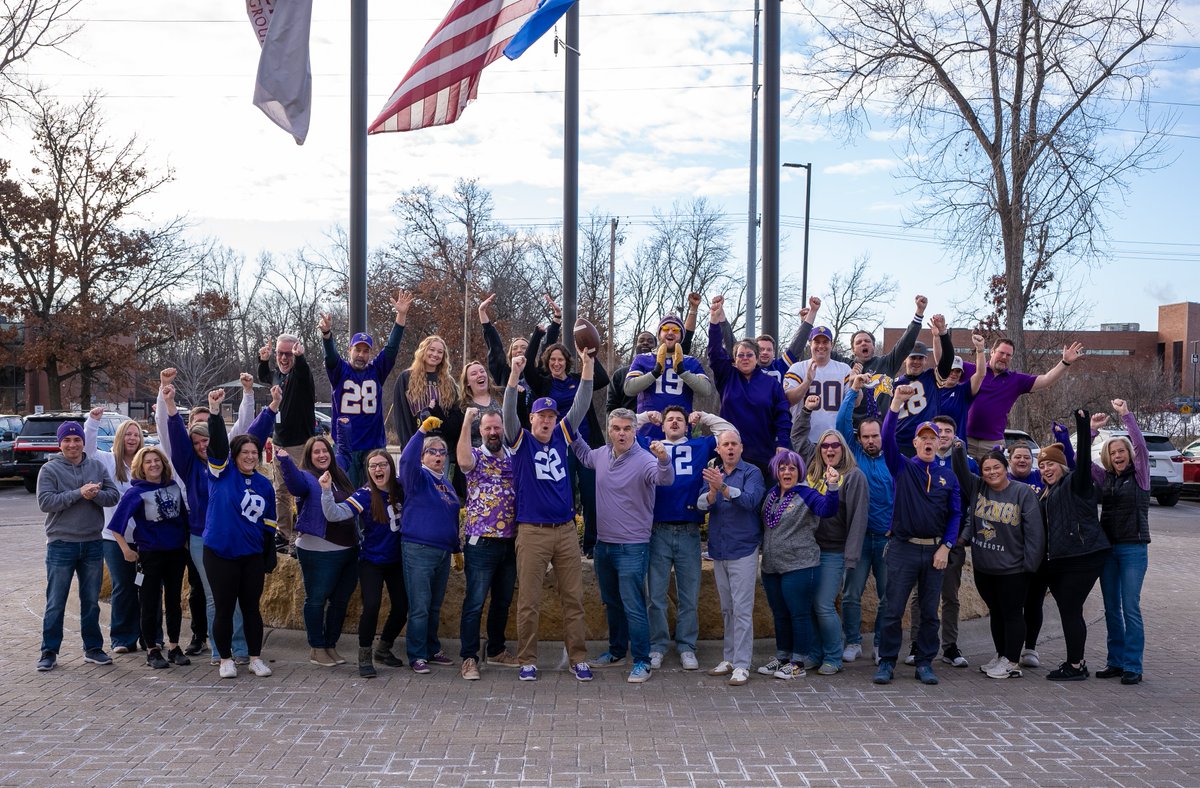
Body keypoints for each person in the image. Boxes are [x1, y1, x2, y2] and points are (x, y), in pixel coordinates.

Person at [163, 382, 278, 668]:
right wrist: (175, 408)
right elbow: (178, 439)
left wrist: (272, 407)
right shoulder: (213, 470)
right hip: (207, 539)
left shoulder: (255, 478)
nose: (203, 446)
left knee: (246, 603)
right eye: (197, 442)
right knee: (218, 599)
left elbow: (251, 438)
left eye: (207, 441)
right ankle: (221, 652)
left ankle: (245, 652)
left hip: (246, 545)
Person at [502, 350, 596, 682]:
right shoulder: (519, 440)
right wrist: (514, 375)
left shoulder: (562, 435)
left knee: (574, 598)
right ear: (532, 418)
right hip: (532, 531)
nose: (546, 421)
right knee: (529, 601)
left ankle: (578, 658)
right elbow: (508, 411)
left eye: (550, 416)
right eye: (541, 416)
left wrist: (587, 366)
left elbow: (582, 404)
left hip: (566, 530)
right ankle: (527, 658)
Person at [572, 408, 674, 683]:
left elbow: (665, 478)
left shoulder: (644, 459)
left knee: (633, 605)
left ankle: (642, 661)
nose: (621, 433)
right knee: (612, 603)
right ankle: (616, 651)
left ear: (634, 431)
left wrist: (664, 459)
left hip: (633, 546)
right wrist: (569, 429)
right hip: (604, 545)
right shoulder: (602, 454)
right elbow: (583, 453)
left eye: (627, 429)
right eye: (616, 428)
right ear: (609, 430)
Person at [873, 385, 961, 686]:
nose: (927, 442)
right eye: (923, 438)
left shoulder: (948, 476)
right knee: (893, 609)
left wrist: (946, 547)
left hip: (934, 552)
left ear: (939, 444)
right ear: (915, 442)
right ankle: (886, 661)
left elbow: (955, 515)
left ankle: (924, 662)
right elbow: (886, 439)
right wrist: (896, 404)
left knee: (928, 612)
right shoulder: (902, 468)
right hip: (902, 549)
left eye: (932, 438)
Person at [639, 407, 731, 671]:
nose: (675, 422)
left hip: (689, 530)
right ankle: (657, 646)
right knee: (655, 594)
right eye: (670, 419)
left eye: (680, 419)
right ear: (663, 426)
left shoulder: (699, 446)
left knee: (688, 595)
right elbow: (621, 429)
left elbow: (729, 431)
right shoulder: (650, 445)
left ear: (687, 426)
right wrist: (647, 417)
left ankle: (687, 646)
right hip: (657, 529)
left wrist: (705, 417)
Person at [790, 401, 869, 675]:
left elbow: (859, 519)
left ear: (843, 449)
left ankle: (834, 656)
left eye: (835, 445)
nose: (830, 450)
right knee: (809, 604)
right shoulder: (812, 471)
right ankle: (815, 652)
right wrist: (807, 412)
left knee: (824, 604)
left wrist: (851, 557)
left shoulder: (853, 476)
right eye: (825, 446)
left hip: (834, 552)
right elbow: (797, 437)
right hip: (807, 550)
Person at [523, 312, 611, 558]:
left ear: (567, 361)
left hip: (586, 444)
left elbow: (602, 379)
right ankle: (568, 544)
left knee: (591, 494)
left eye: (561, 359)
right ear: (548, 362)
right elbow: (528, 367)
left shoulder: (578, 379)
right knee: (566, 493)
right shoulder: (543, 383)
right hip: (559, 447)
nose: (557, 363)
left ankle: (592, 545)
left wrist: (589, 354)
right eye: (552, 359)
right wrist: (538, 335)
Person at [35, 421, 121, 671]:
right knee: (56, 601)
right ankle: (49, 651)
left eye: (77, 440)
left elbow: (113, 496)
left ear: (83, 441)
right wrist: (79, 493)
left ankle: (93, 648)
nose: (72, 445)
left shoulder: (95, 466)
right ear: (60, 444)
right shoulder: (49, 469)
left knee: (91, 601)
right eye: (67, 441)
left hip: (93, 543)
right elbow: (46, 503)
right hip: (61, 544)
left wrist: (97, 495)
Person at [954, 448, 1044, 679]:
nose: (992, 472)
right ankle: (1001, 654)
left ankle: (1012, 661)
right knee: (996, 612)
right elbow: (961, 471)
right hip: (985, 568)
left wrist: (1029, 566)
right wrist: (958, 449)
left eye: (997, 467)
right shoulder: (977, 488)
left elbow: (1035, 532)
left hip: (1013, 569)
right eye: (987, 469)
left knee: (1012, 613)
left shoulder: (1022, 492)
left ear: (1006, 468)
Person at [203, 405, 278, 680]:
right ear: (234, 456)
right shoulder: (221, 474)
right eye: (244, 453)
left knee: (251, 608)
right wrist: (214, 414)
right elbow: (218, 447)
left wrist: (268, 554)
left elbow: (269, 522)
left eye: (253, 453)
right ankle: (225, 659)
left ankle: (255, 658)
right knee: (224, 608)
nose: (249, 457)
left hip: (251, 556)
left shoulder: (264, 484)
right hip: (220, 554)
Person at [1038, 409, 1112, 681]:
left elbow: (1081, 463)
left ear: (1062, 465)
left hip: (1084, 554)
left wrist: (1083, 426)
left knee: (1070, 609)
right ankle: (1076, 661)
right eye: (1042, 465)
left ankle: (1076, 665)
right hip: (1062, 559)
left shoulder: (1076, 482)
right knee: (1071, 610)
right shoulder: (1049, 491)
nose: (1046, 469)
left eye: (1051, 464)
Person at [321, 449, 408, 678]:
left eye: (382, 464)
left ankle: (384, 647)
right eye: (373, 466)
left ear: (391, 466)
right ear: (368, 470)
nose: (378, 469)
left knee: (402, 606)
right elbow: (334, 514)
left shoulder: (401, 488)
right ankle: (364, 654)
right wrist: (326, 491)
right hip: (372, 560)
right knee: (371, 606)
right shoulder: (364, 494)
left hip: (397, 559)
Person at [901, 412, 978, 669]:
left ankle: (950, 646)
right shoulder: (917, 463)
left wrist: (960, 537)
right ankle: (916, 644)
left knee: (950, 596)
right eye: (938, 431)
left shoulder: (966, 462)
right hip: (922, 540)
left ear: (954, 435)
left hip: (951, 541)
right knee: (919, 596)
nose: (942, 436)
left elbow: (969, 504)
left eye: (947, 431)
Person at [105, 446, 192, 670]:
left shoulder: (172, 487)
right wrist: (126, 549)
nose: (153, 465)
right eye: (148, 462)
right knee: (149, 602)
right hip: (150, 555)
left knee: (173, 601)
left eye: (157, 461)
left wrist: (184, 543)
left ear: (163, 463)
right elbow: (116, 526)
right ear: (140, 467)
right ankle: (152, 649)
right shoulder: (135, 493)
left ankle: (173, 647)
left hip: (175, 555)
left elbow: (182, 518)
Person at [277, 435, 359, 668]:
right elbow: (292, 483)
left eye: (325, 451)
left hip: (349, 548)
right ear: (309, 456)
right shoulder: (305, 477)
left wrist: (343, 427)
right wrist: (284, 461)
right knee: (316, 599)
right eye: (316, 452)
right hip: (317, 550)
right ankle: (317, 647)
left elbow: (345, 451)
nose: (322, 455)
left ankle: (330, 644)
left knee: (340, 601)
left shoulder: (339, 472)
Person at [759, 450, 841, 680]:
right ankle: (783, 657)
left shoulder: (808, 494)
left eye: (792, 468)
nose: (787, 471)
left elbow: (828, 509)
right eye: (783, 467)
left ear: (799, 472)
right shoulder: (771, 495)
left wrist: (832, 486)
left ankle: (798, 661)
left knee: (799, 614)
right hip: (771, 566)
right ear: (776, 471)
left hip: (800, 565)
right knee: (780, 614)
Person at [390, 418, 461, 673]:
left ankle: (432, 648)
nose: (438, 456)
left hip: (442, 552)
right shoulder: (417, 477)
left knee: (434, 605)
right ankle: (416, 654)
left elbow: (451, 517)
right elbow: (406, 460)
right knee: (419, 606)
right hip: (418, 549)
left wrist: (456, 548)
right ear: (424, 456)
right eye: (432, 452)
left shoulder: (447, 485)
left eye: (442, 452)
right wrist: (421, 432)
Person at [322, 289, 412, 487]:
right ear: (350, 350)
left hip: (374, 446)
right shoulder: (340, 371)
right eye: (357, 350)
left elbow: (391, 348)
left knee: (376, 496)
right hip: (346, 447)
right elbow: (330, 357)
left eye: (365, 351)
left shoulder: (376, 371)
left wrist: (401, 316)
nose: (361, 355)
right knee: (349, 495)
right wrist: (327, 335)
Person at [455, 407, 520, 680]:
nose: (493, 432)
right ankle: (469, 658)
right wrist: (466, 421)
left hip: (510, 542)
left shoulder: (513, 458)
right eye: (487, 428)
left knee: (502, 601)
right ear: (480, 431)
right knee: (475, 602)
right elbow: (461, 460)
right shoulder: (476, 457)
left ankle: (495, 650)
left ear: (503, 428)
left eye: (496, 428)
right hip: (481, 542)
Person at [699, 429, 766, 687]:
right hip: (719, 549)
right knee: (727, 608)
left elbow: (750, 501)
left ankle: (742, 664)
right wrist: (713, 493)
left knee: (741, 610)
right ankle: (728, 658)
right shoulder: (712, 471)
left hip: (744, 549)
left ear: (741, 447)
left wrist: (723, 487)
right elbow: (702, 503)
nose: (729, 448)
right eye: (725, 444)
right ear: (718, 449)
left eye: (733, 444)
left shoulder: (752, 473)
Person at [796, 294, 928, 421]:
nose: (863, 343)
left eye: (867, 341)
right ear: (853, 349)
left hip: (880, 429)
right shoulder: (845, 365)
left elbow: (905, 344)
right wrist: (807, 322)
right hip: (852, 430)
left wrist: (919, 313)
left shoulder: (887, 363)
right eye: (858, 342)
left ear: (873, 345)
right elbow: (821, 346)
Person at [836, 376, 894, 665]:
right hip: (858, 538)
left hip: (886, 539)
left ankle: (882, 644)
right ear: (859, 439)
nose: (870, 440)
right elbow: (841, 424)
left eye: (875, 436)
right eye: (866, 436)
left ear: (882, 436)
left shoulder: (892, 460)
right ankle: (853, 642)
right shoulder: (853, 455)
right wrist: (853, 391)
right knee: (850, 594)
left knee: (888, 596)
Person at [1094, 398, 1150, 685]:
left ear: (1128, 454)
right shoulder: (1105, 478)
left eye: (1121, 451)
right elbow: (1078, 463)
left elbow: (1140, 446)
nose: (1118, 455)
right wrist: (1090, 430)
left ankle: (1133, 665)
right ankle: (1114, 661)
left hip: (1133, 550)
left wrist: (1126, 415)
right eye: (1113, 451)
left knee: (1130, 607)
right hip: (1108, 551)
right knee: (1111, 608)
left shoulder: (1140, 476)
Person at [82, 407, 146, 655]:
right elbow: (88, 451)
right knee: (123, 586)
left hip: (146, 539)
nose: (132, 438)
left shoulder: (148, 462)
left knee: (148, 587)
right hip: (113, 538)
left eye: (136, 434)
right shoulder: (108, 462)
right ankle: (122, 638)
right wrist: (93, 422)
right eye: (128, 434)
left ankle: (150, 636)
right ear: (120, 438)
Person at [706, 295, 791, 478]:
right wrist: (714, 321)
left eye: (749, 355)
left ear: (757, 357)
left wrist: (782, 442)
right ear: (734, 360)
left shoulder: (771, 384)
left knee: (759, 502)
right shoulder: (727, 376)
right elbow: (714, 351)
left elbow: (782, 415)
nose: (745, 358)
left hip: (763, 455)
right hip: (730, 455)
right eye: (740, 355)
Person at [962, 337, 1086, 462]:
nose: (1004, 357)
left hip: (992, 444)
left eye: (1008, 355)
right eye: (1001, 353)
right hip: (965, 438)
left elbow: (1046, 380)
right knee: (961, 479)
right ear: (992, 352)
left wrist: (1065, 363)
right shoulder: (972, 370)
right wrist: (942, 334)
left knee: (991, 479)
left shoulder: (1016, 380)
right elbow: (944, 363)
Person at [258, 332, 317, 544]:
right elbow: (264, 376)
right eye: (280, 354)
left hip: (301, 444)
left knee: (304, 490)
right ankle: (283, 534)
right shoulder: (277, 375)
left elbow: (301, 370)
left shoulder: (301, 375)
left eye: (288, 355)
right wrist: (263, 361)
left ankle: (306, 534)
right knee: (281, 491)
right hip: (279, 443)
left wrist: (299, 358)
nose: (284, 358)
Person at [623, 314, 713, 415]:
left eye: (675, 330)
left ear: (681, 336)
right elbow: (629, 389)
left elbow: (706, 390)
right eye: (665, 329)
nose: (670, 332)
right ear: (659, 334)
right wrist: (655, 373)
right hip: (648, 427)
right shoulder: (642, 358)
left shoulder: (691, 361)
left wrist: (683, 373)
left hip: (679, 427)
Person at [783, 326, 855, 445]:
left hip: (836, 441)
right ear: (810, 344)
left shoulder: (844, 369)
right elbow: (789, 400)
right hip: (804, 441)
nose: (821, 346)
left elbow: (855, 403)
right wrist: (807, 382)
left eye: (825, 342)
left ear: (831, 345)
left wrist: (855, 386)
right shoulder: (797, 368)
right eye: (817, 342)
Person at [890, 330, 954, 455]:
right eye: (913, 357)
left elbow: (947, 361)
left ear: (925, 360)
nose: (916, 362)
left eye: (921, 358)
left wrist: (943, 334)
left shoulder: (932, 377)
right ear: (905, 359)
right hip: (900, 442)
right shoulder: (894, 383)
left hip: (926, 440)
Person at [392, 334, 458, 451]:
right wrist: (409, 447)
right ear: (423, 351)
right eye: (431, 350)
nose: (435, 354)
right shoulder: (406, 378)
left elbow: (454, 418)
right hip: (416, 445)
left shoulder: (449, 382)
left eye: (440, 352)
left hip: (442, 448)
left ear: (443, 356)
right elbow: (401, 417)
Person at [608, 331, 656, 414]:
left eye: (650, 341)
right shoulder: (620, 374)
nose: (645, 343)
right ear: (635, 345)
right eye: (641, 340)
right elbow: (612, 405)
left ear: (656, 347)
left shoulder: (662, 372)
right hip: (628, 424)